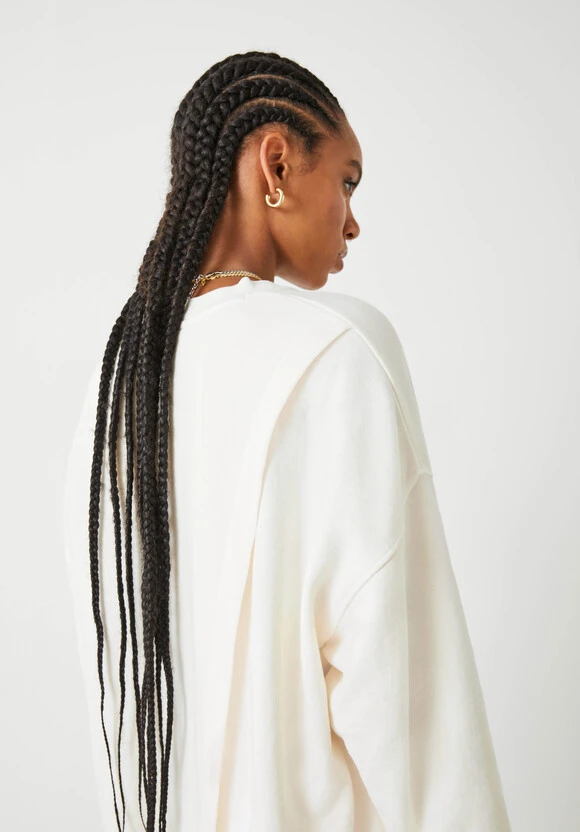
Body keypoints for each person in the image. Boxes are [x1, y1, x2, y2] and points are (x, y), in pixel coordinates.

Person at [63, 50, 512, 832]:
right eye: (347, 181)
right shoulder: (337, 350)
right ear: (276, 164)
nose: (354, 220)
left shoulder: (114, 402)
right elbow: (415, 717)